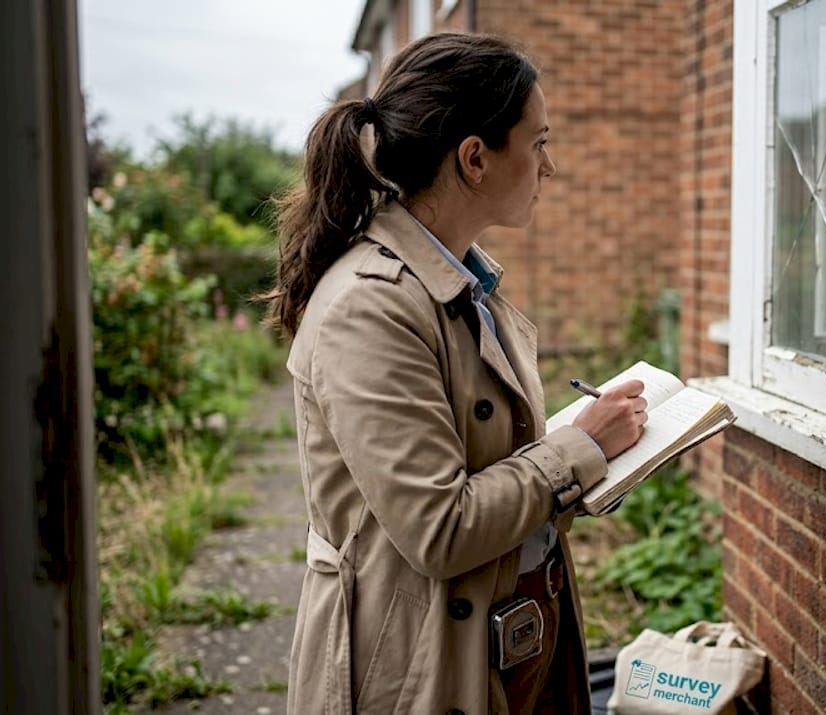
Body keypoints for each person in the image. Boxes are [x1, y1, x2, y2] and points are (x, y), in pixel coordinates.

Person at [263, 33, 647, 714]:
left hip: (500, 647)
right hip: (412, 667)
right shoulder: (371, 307)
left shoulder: (464, 282)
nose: (550, 166)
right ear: (475, 158)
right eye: (538, 143)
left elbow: (492, 461)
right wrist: (582, 446)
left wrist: (598, 452)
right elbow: (440, 527)